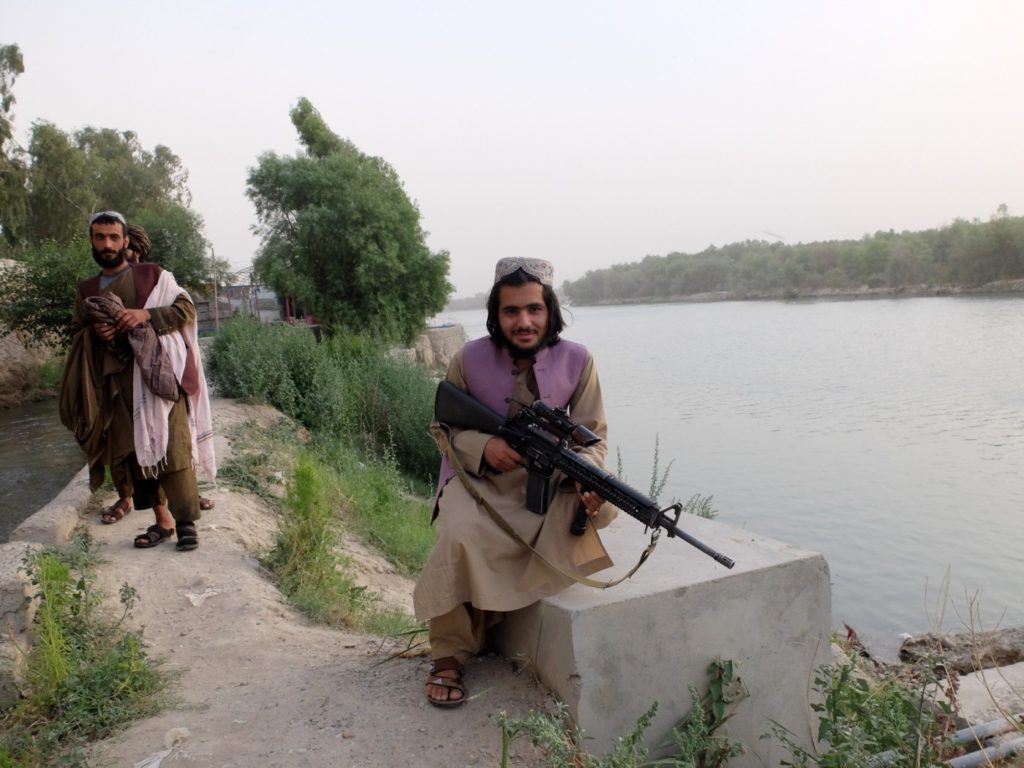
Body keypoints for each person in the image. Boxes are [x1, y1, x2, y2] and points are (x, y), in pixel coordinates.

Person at [413, 257, 616, 707]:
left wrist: (589, 476)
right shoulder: (468, 359)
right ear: (496, 314)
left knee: (608, 502)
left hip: (550, 479)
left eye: (534, 309)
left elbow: (594, 436)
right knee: (459, 534)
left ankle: (496, 608)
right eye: (511, 311)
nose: (524, 322)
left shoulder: (578, 360)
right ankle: (449, 654)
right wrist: (482, 448)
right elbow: (441, 429)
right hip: (478, 481)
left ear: (550, 311)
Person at [59, 211, 215, 551]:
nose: (107, 244)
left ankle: (187, 524)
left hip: (158, 379)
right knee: (133, 457)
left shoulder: (153, 276)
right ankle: (162, 521)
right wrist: (94, 333)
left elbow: (186, 310)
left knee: (172, 451)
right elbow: (75, 333)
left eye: (114, 237)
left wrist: (146, 315)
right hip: (114, 387)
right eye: (100, 237)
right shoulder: (86, 290)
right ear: (92, 241)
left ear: (126, 241)